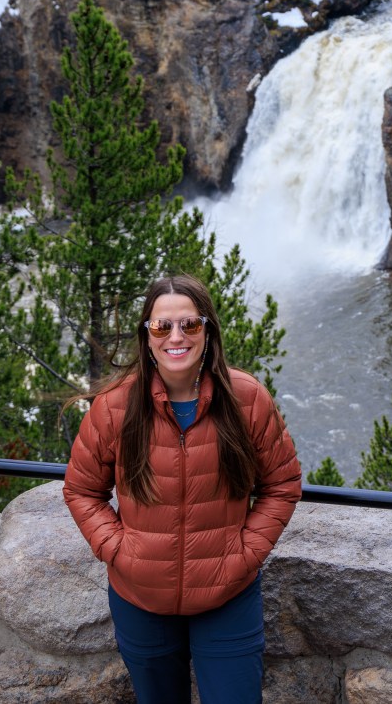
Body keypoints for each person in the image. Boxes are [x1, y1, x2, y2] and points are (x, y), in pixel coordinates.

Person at [64, 273, 302, 704]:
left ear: (208, 331)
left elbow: (282, 484)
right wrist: (121, 551)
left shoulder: (247, 399)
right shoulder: (115, 406)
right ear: (147, 336)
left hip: (227, 598)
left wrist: (243, 554)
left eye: (190, 325)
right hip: (140, 601)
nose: (176, 336)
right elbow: (82, 490)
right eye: (162, 326)